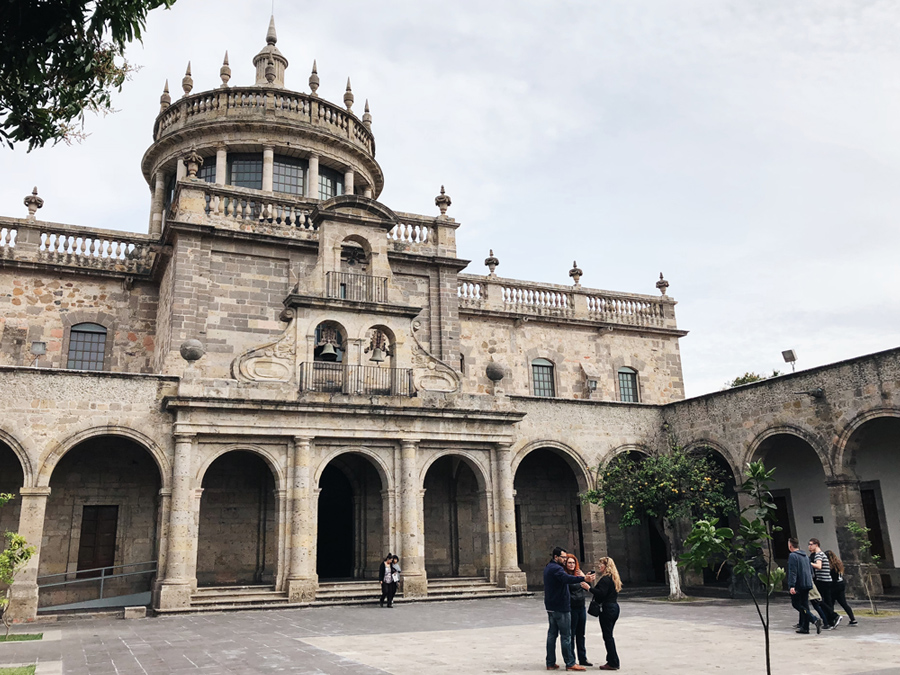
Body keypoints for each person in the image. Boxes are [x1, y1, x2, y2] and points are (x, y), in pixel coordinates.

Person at [544, 547, 594, 671]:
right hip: (561, 606)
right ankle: (570, 663)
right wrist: (583, 578)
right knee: (566, 635)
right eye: (563, 558)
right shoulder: (557, 568)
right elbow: (567, 579)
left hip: (551, 606)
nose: (565, 560)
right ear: (556, 557)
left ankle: (550, 662)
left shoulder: (548, 567)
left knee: (552, 634)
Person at [590, 556, 622, 671]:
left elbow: (601, 593)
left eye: (601, 564)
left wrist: (588, 588)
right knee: (609, 635)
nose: (599, 566)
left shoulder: (605, 579)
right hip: (614, 607)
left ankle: (613, 662)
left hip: (607, 609)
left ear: (606, 566)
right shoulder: (614, 578)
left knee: (607, 636)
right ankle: (611, 659)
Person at [788, 538, 821, 634]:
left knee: (796, 604)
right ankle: (805, 627)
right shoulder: (805, 556)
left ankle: (814, 619)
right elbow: (811, 570)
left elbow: (793, 571)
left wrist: (792, 585)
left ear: (790, 546)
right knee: (805, 605)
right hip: (807, 583)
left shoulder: (793, 556)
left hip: (799, 584)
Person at [564, 555, 592, 667]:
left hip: (581, 606)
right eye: (569, 563)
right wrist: (581, 579)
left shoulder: (579, 574)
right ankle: (572, 659)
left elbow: (588, 587)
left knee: (581, 634)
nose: (571, 565)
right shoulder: (565, 576)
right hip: (572, 608)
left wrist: (584, 577)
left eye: (573, 563)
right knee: (572, 634)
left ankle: (583, 658)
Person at [808, 538, 840, 628]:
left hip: (822, 581)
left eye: (811, 544)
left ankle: (833, 616)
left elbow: (819, 566)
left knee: (820, 601)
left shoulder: (818, 555)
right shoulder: (821, 554)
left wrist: (808, 563)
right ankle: (831, 620)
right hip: (826, 580)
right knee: (826, 601)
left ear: (816, 545)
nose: (809, 546)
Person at [826, 550, 857, 626]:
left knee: (830, 603)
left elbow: (833, 577)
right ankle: (852, 619)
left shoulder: (831, 566)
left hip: (834, 585)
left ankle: (831, 619)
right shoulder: (838, 563)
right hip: (841, 584)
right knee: (843, 603)